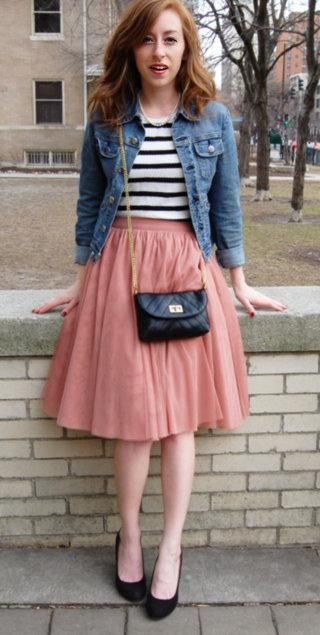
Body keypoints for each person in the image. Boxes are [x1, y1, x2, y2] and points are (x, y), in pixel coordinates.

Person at [32, 0, 287, 620]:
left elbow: (226, 207)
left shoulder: (213, 119)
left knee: (178, 423)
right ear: (132, 48)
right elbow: (91, 201)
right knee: (135, 419)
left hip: (189, 271)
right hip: (122, 270)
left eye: (170, 38)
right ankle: (132, 536)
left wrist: (241, 282)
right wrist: (79, 280)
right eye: (147, 39)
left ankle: (171, 547)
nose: (159, 51)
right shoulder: (107, 118)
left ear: (186, 47)